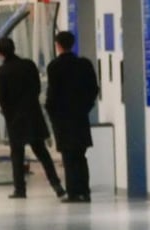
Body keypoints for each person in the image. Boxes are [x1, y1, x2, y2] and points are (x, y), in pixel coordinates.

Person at [0, 37, 65, 199]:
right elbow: (37, 88)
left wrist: (9, 114)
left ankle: (20, 189)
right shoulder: (28, 65)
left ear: (0, 53)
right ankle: (56, 185)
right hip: (33, 115)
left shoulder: (1, 73)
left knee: (17, 155)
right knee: (42, 152)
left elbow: (2, 98)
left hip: (14, 119)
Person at [45, 31, 99, 203]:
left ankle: (74, 192)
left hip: (62, 118)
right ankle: (85, 190)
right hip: (80, 117)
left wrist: (52, 113)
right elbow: (93, 89)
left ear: (58, 45)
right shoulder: (84, 64)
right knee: (81, 156)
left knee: (68, 157)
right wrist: (85, 107)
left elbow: (52, 95)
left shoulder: (54, 66)